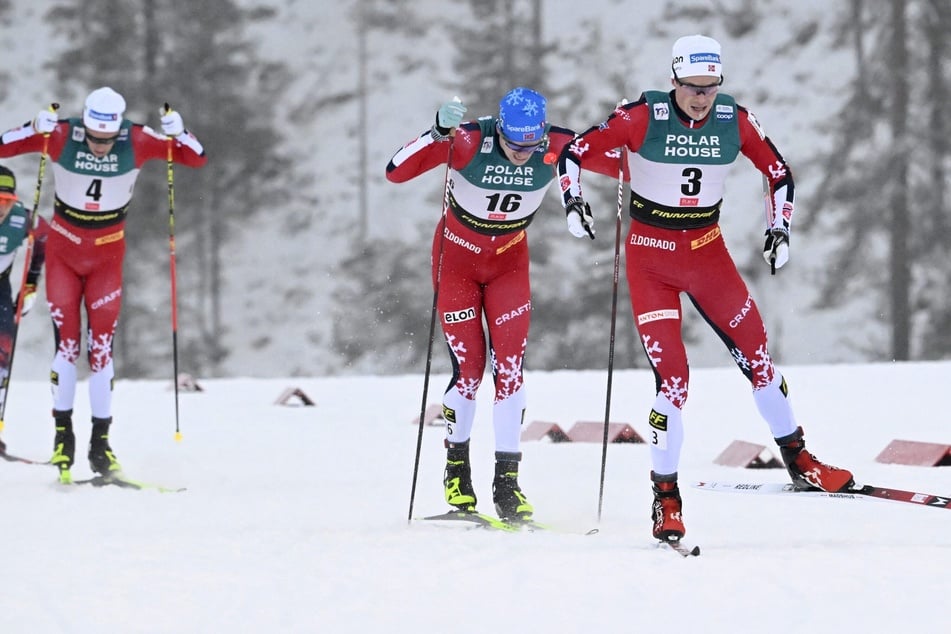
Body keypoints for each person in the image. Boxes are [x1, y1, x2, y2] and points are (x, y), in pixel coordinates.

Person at [556, 35, 854, 542]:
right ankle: (665, 497)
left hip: (707, 252)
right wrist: (573, 203)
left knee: (759, 359)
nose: (701, 97)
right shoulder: (639, 117)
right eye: (692, 87)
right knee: (674, 380)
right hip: (651, 258)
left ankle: (798, 458)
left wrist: (778, 227)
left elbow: (778, 172)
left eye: (710, 88)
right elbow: (573, 154)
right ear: (673, 80)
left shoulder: (732, 119)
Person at [387, 88, 619, 521]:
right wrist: (436, 132)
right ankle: (456, 470)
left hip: (509, 263)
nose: (521, 155)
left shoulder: (556, 145)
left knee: (510, 369)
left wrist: (629, 131)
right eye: (513, 145)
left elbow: (624, 164)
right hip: (455, 259)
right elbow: (395, 173)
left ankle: (507, 484)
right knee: (470, 371)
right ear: (500, 130)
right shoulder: (471, 140)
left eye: (530, 146)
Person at [0, 87, 208, 483]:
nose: (99, 146)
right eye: (94, 138)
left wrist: (182, 133)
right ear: (86, 127)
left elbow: (196, 159)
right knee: (68, 346)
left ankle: (101, 446)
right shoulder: (62, 134)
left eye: (107, 139)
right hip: (63, 252)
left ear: (117, 130)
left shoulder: (139, 139)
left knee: (101, 352)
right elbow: (2, 148)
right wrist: (32, 126)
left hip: (107, 258)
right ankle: (64, 439)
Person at [0, 164, 49, 453]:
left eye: (5, 203)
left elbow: (44, 239)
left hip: (1, 290)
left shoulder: (23, 220)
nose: (0, 210)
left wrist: (31, 283)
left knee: (2, 354)